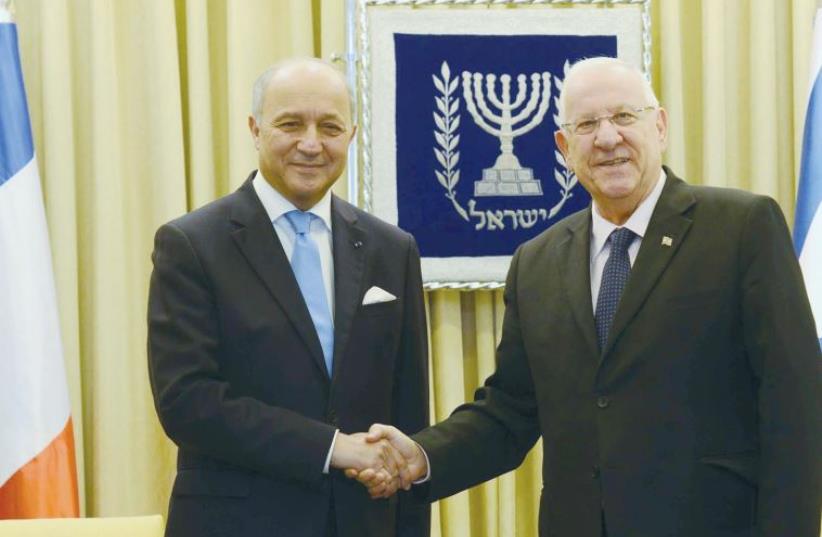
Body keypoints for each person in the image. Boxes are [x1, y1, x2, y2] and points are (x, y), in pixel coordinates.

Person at [351, 57, 822, 537]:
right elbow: (510, 410)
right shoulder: (537, 262)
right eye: (587, 124)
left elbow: (795, 403)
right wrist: (422, 455)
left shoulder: (741, 228)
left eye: (623, 116)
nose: (607, 138)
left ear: (659, 126)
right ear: (564, 147)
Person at [147, 58, 429, 537]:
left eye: (331, 127)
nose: (312, 143)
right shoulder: (192, 245)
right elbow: (188, 402)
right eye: (291, 124)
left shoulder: (392, 250)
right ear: (256, 130)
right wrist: (331, 447)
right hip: (235, 523)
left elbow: (408, 414)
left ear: (352, 135)